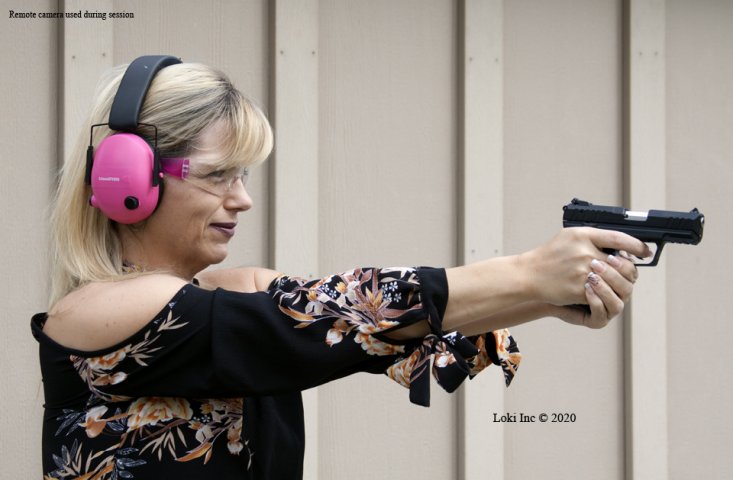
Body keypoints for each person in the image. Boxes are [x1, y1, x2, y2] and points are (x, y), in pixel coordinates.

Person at [31, 57, 650, 480]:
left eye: (243, 176)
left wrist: (555, 295)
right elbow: (325, 317)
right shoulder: (95, 313)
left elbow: (376, 327)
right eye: (218, 174)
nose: (242, 198)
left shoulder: (233, 292)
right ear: (127, 180)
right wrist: (530, 272)